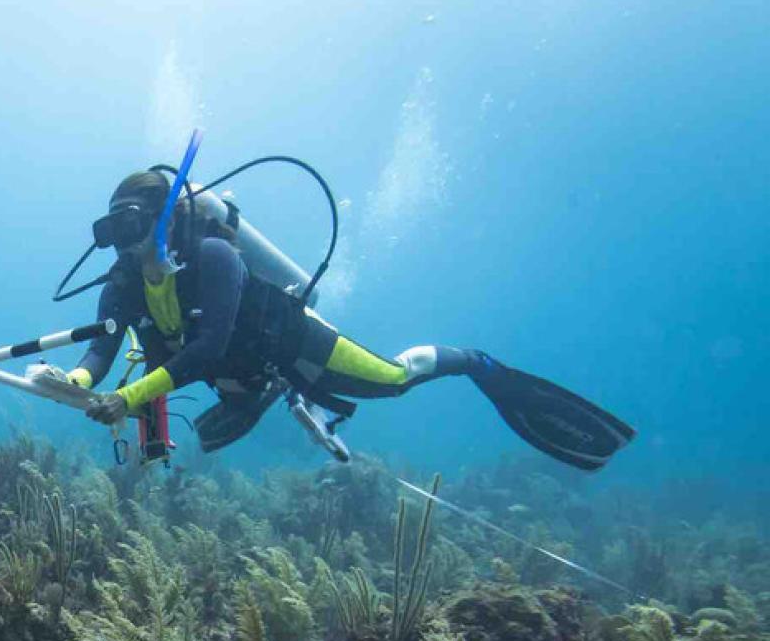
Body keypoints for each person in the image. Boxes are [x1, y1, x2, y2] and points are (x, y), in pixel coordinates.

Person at [58, 170, 635, 471]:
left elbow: (204, 349)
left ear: (162, 220)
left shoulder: (215, 255)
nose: (123, 246)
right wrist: (77, 383)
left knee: (391, 382)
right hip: (233, 371)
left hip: (293, 344)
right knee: (206, 437)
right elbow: (104, 347)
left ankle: (472, 361)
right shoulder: (124, 281)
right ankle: (258, 397)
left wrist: (131, 396)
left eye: (132, 226)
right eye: (112, 232)